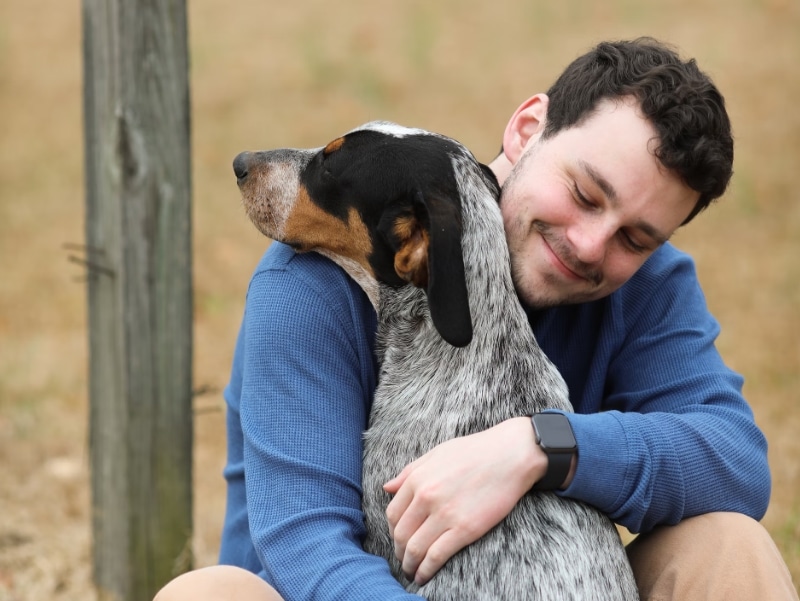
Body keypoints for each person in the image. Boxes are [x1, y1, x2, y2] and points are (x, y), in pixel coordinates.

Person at [155, 38, 798, 601]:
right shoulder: (319, 279)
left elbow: (735, 464)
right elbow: (307, 547)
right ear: (525, 129)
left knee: (727, 549)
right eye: (583, 193)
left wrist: (541, 447)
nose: (591, 245)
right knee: (208, 595)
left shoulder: (648, 286)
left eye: (636, 237)